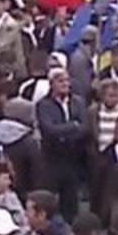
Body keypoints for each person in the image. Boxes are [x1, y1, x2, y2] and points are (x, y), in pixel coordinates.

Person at [36, 67, 87, 222]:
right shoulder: (43, 105)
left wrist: (67, 131)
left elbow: (84, 127)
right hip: (52, 160)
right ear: (51, 84)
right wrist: (72, 126)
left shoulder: (78, 102)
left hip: (73, 160)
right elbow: (49, 130)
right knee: (50, 201)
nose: (65, 84)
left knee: (71, 204)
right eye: (60, 80)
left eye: (66, 80)